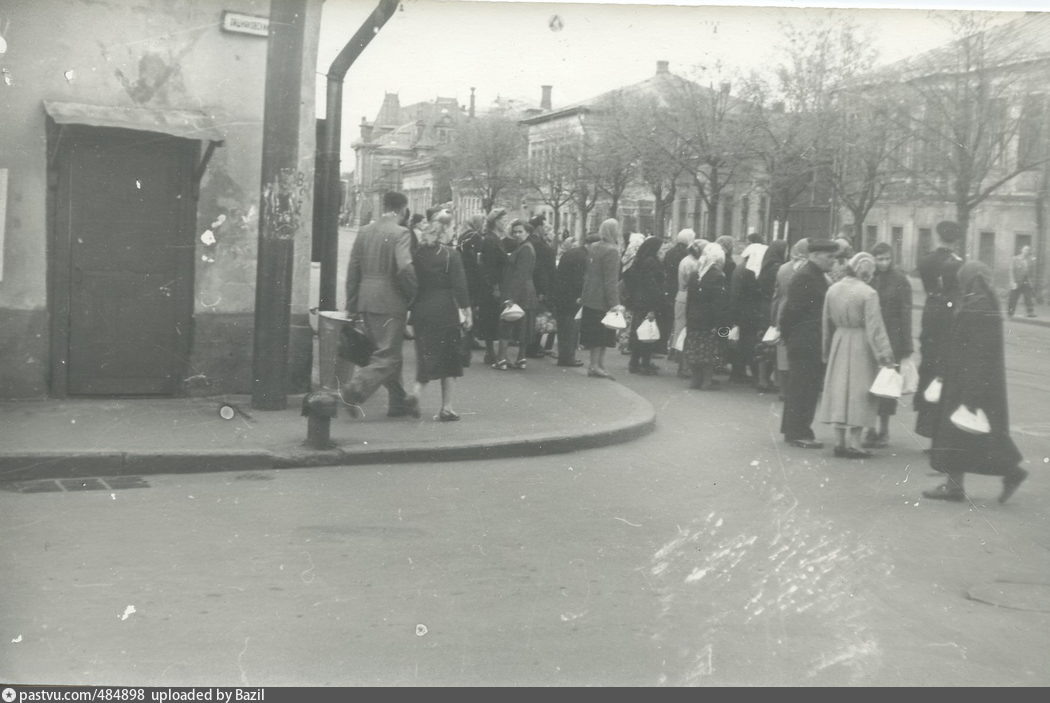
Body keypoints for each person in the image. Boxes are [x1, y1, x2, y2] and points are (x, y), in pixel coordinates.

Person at [923, 262, 1028, 503]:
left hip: (967, 383)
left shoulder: (977, 307)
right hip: (969, 381)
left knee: (961, 436)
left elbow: (978, 354)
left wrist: (970, 396)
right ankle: (960, 483)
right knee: (972, 437)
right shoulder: (982, 302)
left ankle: (959, 485)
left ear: (969, 280)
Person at [342, 190, 420, 418]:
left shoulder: (365, 231)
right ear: (403, 210)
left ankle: (398, 403)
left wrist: (352, 303)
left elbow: (353, 269)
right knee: (389, 356)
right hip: (390, 301)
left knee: (385, 352)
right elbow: (405, 267)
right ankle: (355, 389)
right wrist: (414, 293)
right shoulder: (401, 233)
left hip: (366, 300)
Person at [818, 252, 896, 458]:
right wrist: (885, 355)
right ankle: (855, 443)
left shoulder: (833, 289)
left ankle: (839, 441)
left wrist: (825, 350)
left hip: (840, 339)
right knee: (859, 392)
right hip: (861, 343)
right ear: (868, 273)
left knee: (839, 390)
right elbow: (875, 327)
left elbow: (825, 323)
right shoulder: (868, 293)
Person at [409, 207, 472, 421]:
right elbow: (460, 286)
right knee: (449, 359)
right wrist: (467, 311)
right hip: (445, 309)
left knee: (425, 355)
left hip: (421, 309)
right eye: (453, 227)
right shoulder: (450, 255)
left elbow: (410, 282)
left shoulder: (417, 254)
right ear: (445, 230)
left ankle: (416, 393)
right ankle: (446, 408)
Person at [779, 238, 839, 448]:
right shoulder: (806, 277)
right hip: (805, 341)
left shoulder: (815, 276)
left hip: (808, 340)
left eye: (834, 257)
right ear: (814, 255)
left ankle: (795, 429)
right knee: (803, 388)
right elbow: (791, 311)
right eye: (829, 256)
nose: (833, 261)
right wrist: (790, 338)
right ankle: (799, 432)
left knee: (804, 387)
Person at [914, 220, 964, 442]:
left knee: (929, 367)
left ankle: (926, 427)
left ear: (938, 236)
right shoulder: (959, 264)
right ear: (956, 240)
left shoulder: (925, 261)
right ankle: (942, 432)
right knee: (947, 371)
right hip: (950, 317)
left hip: (931, 314)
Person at [865, 242, 914, 448]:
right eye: (879, 258)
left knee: (887, 386)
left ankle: (884, 430)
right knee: (869, 383)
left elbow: (906, 313)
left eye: (886, 258)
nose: (883, 262)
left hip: (893, 337)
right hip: (871, 337)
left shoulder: (900, 280)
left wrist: (906, 345)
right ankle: (870, 428)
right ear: (873, 258)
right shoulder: (869, 276)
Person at [580, 218, 624, 379]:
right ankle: (597, 365)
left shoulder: (593, 247)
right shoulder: (612, 251)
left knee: (594, 333)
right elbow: (611, 280)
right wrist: (615, 303)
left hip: (591, 295)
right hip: (603, 299)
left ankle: (595, 364)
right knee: (603, 334)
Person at [491, 219, 537, 371]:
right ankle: (521, 358)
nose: (517, 234)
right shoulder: (526, 247)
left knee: (507, 324)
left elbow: (520, 274)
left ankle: (502, 359)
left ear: (528, 233)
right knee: (523, 325)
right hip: (526, 291)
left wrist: (511, 297)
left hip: (518, 291)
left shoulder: (524, 249)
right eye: (515, 231)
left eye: (520, 232)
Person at [683, 243, 731, 390]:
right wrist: (722, 324)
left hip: (693, 317)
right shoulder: (718, 276)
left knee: (694, 349)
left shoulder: (694, 275)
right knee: (709, 351)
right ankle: (707, 380)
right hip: (709, 319)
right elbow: (719, 302)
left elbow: (689, 298)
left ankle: (695, 379)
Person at [771, 238, 809, 400]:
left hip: (783, 311)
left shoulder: (783, 269)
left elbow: (776, 295)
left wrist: (773, 319)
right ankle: (797, 390)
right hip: (802, 315)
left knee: (783, 352)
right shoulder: (808, 270)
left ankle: (783, 390)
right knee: (800, 354)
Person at [624, 236, 666, 375]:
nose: (663, 250)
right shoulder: (651, 262)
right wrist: (655, 304)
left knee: (641, 331)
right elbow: (651, 284)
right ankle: (642, 363)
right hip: (648, 302)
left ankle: (637, 362)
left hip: (640, 300)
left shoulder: (641, 260)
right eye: (661, 247)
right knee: (646, 331)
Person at [755, 239, 788, 392]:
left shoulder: (766, 266)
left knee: (764, 343)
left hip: (763, 307)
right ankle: (771, 380)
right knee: (773, 343)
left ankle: (762, 379)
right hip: (772, 307)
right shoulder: (778, 268)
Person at [477, 208, 509, 365]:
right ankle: (490, 352)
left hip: (493, 284)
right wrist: (495, 286)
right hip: (492, 285)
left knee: (491, 317)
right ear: (495, 221)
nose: (505, 223)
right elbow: (489, 266)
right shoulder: (491, 240)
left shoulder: (495, 238)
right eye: (503, 219)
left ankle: (490, 352)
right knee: (490, 317)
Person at [551, 232, 588, 367]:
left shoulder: (572, 253)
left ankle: (564, 356)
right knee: (571, 329)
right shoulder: (582, 256)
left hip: (562, 295)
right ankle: (568, 358)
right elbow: (579, 279)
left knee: (564, 329)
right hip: (572, 298)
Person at [674, 239, 706, 377]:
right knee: (685, 332)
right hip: (687, 297)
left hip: (681, 295)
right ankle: (684, 366)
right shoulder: (694, 263)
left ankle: (681, 363)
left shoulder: (685, 260)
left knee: (680, 330)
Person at [664, 229, 696, 360]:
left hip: (671, 288)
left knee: (676, 321)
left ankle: (672, 348)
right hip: (681, 289)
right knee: (682, 323)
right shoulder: (686, 255)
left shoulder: (670, 252)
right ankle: (678, 351)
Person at [457, 214, 487, 348]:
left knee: (465, 306)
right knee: (473, 307)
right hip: (473, 277)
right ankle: (469, 338)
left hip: (464, 275)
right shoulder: (476, 237)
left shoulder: (463, 235)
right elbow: (479, 259)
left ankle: (464, 336)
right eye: (482, 223)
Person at [1008, 245, 1037, 318]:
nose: (1026, 252)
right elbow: (1011, 271)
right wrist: (1012, 282)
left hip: (1026, 281)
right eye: (1025, 250)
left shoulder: (1030, 260)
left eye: (1028, 250)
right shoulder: (1015, 259)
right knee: (1013, 297)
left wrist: (1031, 281)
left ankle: (1030, 312)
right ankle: (1010, 312)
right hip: (1017, 281)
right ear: (1022, 250)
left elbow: (1031, 272)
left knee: (1028, 297)